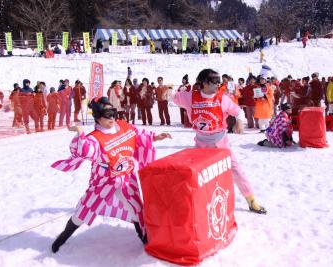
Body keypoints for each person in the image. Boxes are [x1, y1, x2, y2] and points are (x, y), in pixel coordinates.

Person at [51, 96, 172, 253]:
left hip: (125, 176)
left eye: (114, 112)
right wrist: (80, 132)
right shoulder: (95, 138)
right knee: (84, 211)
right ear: (98, 117)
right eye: (108, 114)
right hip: (103, 180)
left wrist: (155, 137)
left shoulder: (123, 126)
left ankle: (144, 238)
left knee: (136, 207)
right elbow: (86, 151)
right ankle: (63, 237)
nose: (113, 117)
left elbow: (139, 135)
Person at [173, 68, 266, 214]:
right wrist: (180, 90)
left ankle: (251, 200)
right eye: (214, 82)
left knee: (235, 169)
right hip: (201, 143)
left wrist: (239, 121)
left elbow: (239, 111)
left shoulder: (222, 98)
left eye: (219, 82)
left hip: (220, 141)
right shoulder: (190, 97)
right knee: (195, 172)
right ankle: (193, 200)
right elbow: (173, 98)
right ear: (204, 83)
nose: (218, 84)